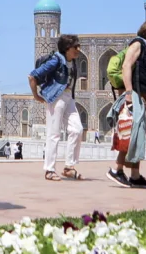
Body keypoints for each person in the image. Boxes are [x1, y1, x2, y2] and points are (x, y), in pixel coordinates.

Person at [107, 19, 146, 189]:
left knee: (137, 135)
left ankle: (135, 175)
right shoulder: (137, 44)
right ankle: (117, 169)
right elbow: (126, 66)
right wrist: (128, 92)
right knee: (131, 133)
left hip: (142, 97)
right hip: (134, 94)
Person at [29, 33, 84, 181]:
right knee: (54, 134)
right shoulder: (56, 61)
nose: (79, 49)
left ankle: (68, 167)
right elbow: (33, 76)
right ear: (67, 48)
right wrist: (36, 96)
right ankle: (49, 170)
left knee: (77, 129)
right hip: (56, 98)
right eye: (76, 46)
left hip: (69, 98)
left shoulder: (73, 62)